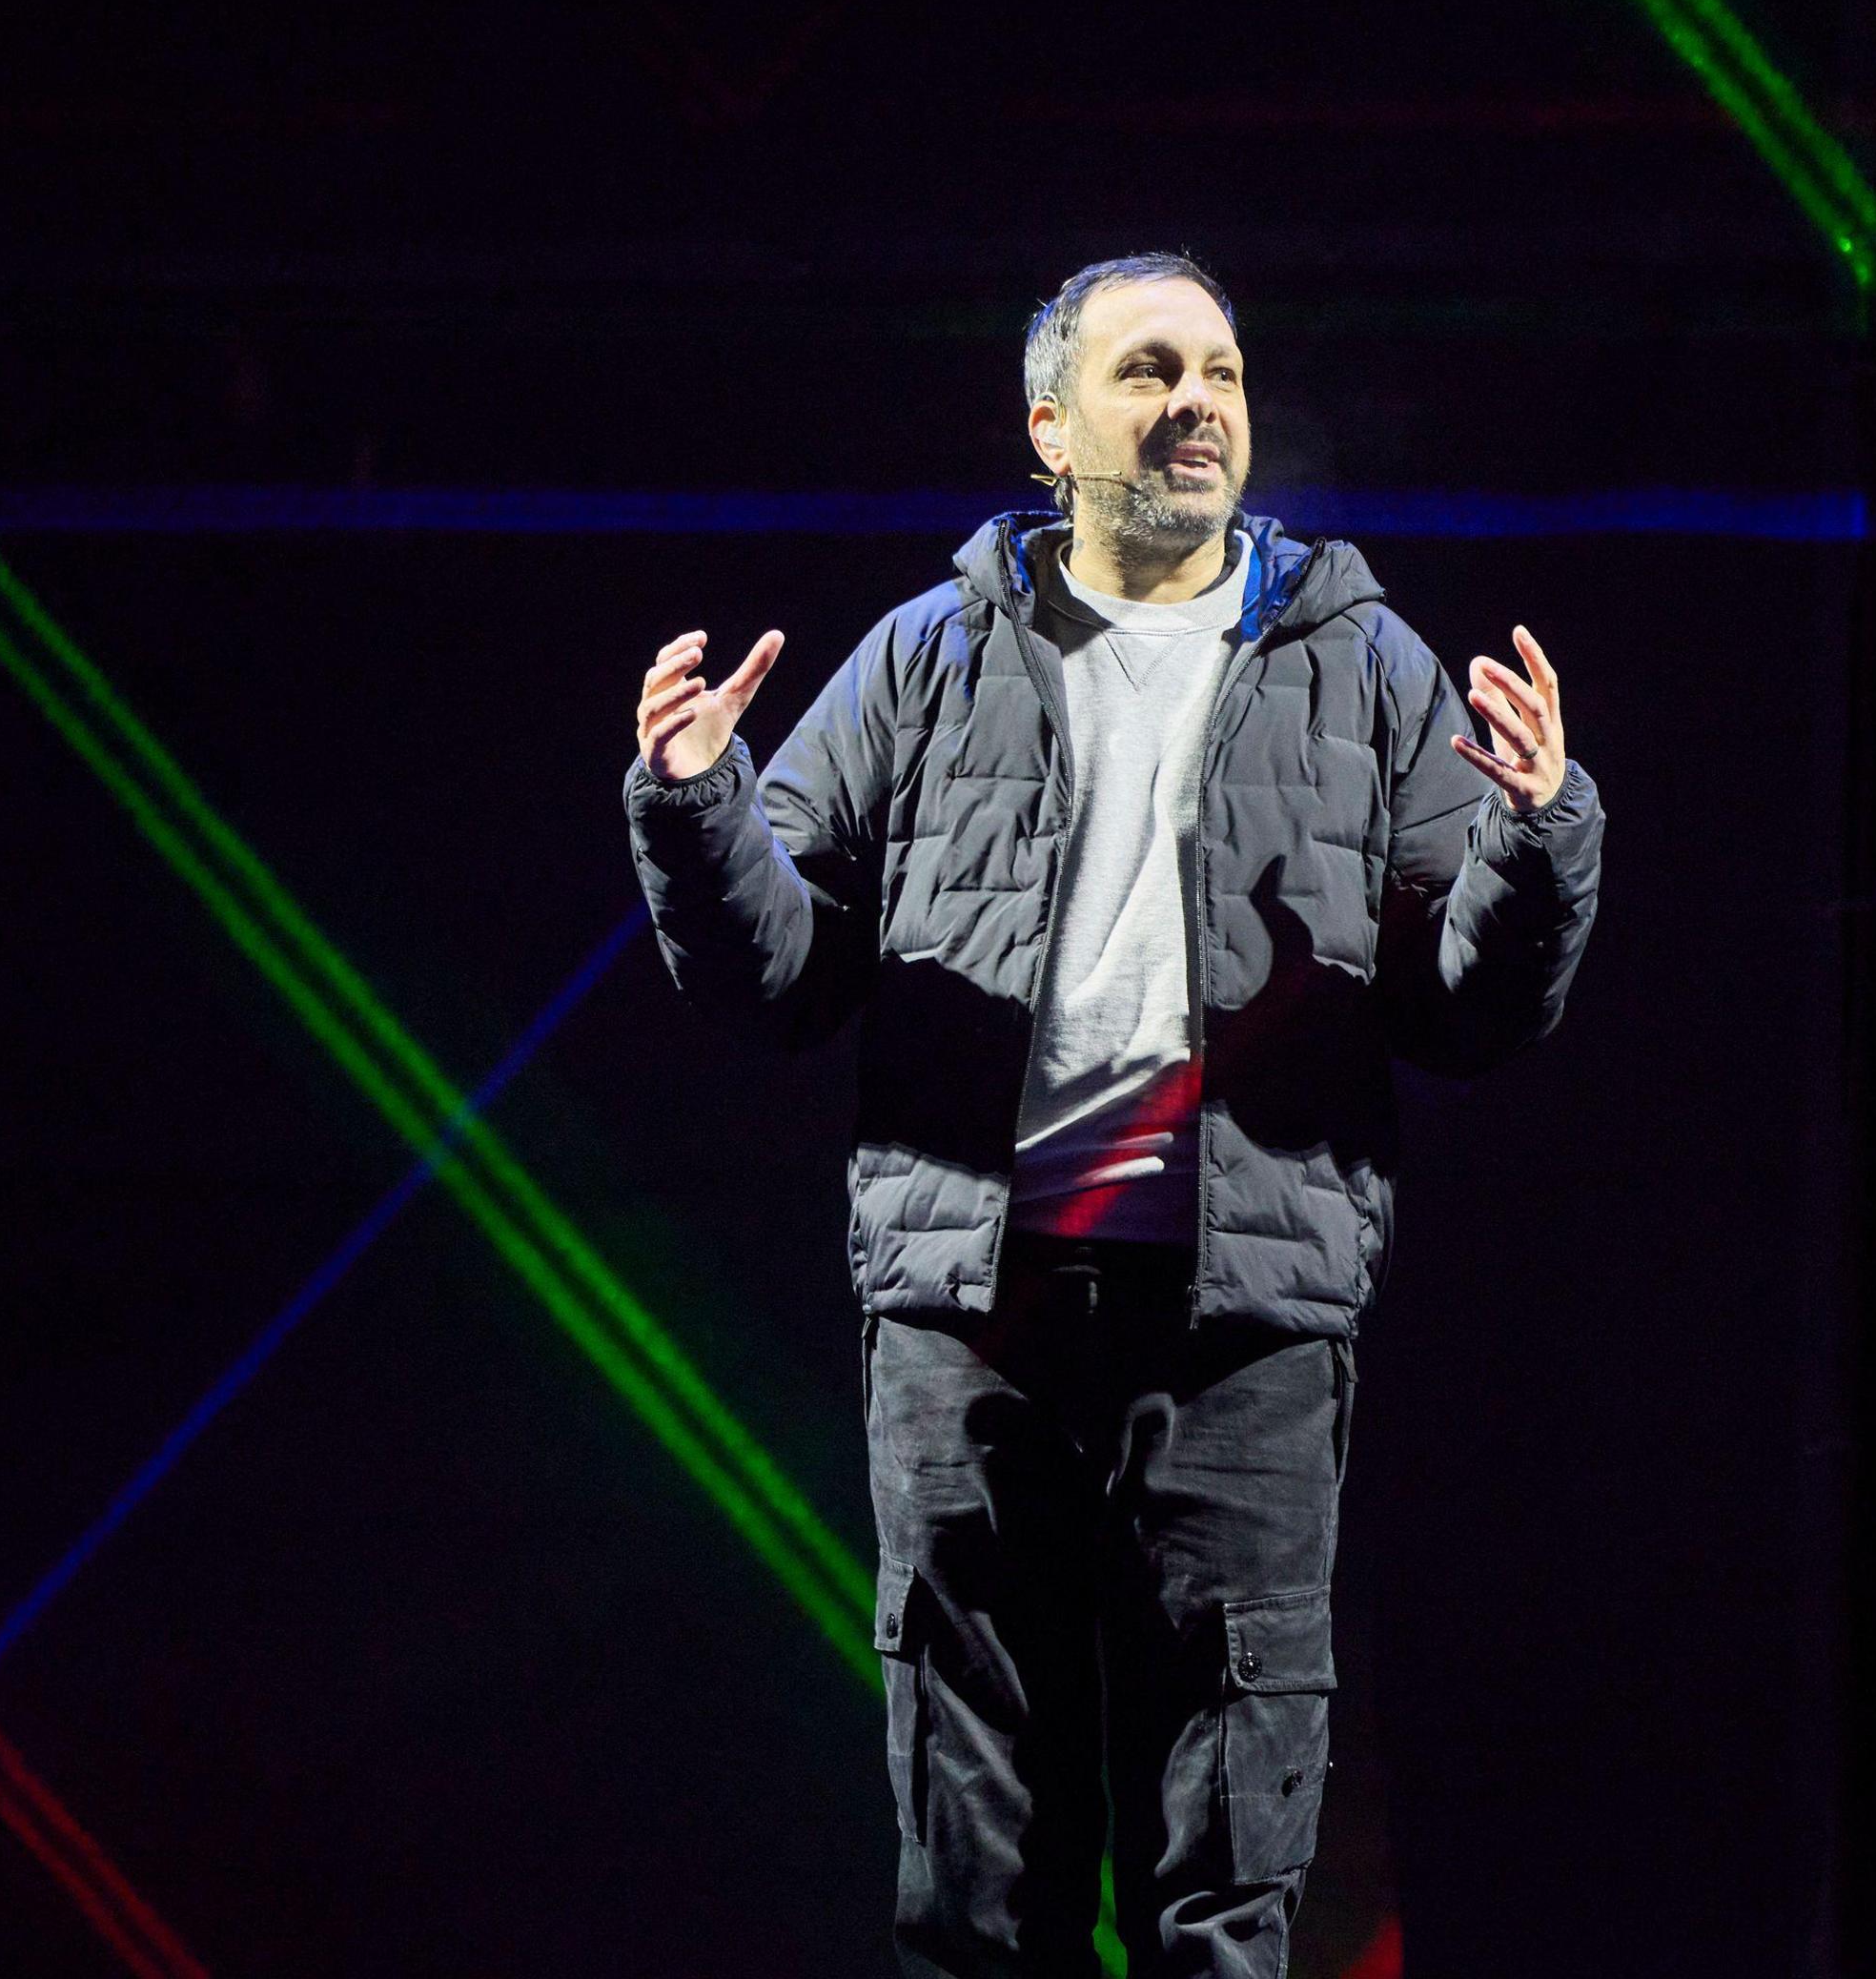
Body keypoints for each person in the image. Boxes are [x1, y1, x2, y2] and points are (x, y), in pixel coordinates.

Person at [621, 253, 1605, 1978]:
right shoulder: (926, 660)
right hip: (971, 1338)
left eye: (1221, 371)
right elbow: (775, 977)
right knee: (978, 1892)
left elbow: (1472, 1012)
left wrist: (1536, 838)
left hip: (1238, 1345)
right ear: (1050, 425)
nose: (1198, 404)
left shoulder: (1361, 666)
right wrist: (696, 808)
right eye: (1149, 371)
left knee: (1224, 1894)